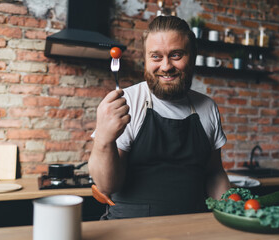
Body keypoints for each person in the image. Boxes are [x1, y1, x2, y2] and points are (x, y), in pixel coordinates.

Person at [88, 15, 230, 219]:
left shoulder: (207, 107)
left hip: (194, 227)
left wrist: (231, 211)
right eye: (156, 57)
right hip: (130, 227)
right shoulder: (127, 102)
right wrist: (103, 139)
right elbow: (107, 185)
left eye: (176, 55)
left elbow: (214, 173)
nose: (165, 66)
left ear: (192, 56)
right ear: (145, 60)